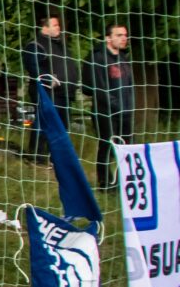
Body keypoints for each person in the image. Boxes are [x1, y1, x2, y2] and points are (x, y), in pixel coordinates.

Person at [83, 23, 135, 190]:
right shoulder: (97, 58)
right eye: (119, 35)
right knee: (107, 145)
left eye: (125, 35)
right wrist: (116, 105)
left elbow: (129, 86)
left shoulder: (123, 59)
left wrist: (129, 105)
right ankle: (105, 183)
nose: (123, 38)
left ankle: (124, 181)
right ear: (108, 38)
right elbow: (99, 88)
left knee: (127, 146)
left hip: (125, 111)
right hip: (105, 111)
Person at [22, 13, 74, 159]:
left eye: (59, 25)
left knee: (62, 126)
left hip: (64, 93)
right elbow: (33, 66)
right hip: (46, 92)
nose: (58, 28)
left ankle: (57, 157)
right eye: (55, 25)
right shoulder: (36, 45)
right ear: (44, 28)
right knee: (45, 122)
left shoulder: (60, 45)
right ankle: (36, 155)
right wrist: (48, 80)